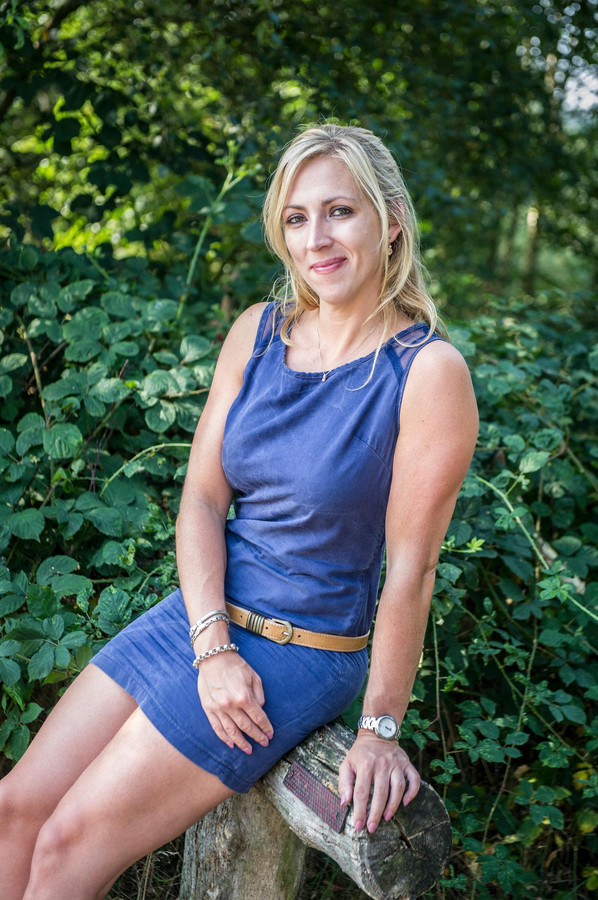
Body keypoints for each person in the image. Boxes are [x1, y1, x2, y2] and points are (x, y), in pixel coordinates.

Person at [0, 123, 478, 899]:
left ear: (391, 221)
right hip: (203, 618)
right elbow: (201, 497)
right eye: (297, 217)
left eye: (340, 212)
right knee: (16, 809)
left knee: (65, 846)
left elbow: (411, 571)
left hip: (298, 648)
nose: (316, 238)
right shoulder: (257, 332)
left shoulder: (427, 372)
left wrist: (380, 729)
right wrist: (211, 643)